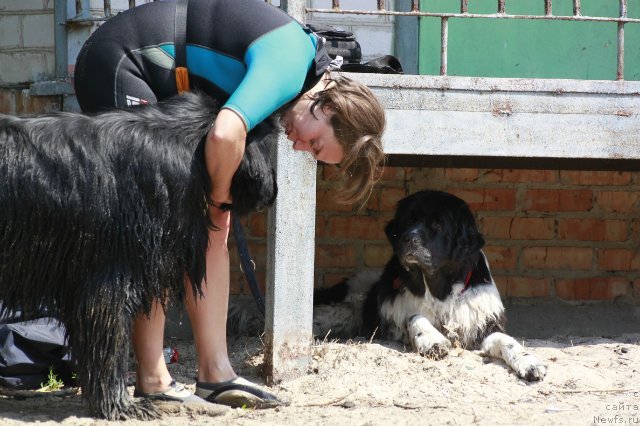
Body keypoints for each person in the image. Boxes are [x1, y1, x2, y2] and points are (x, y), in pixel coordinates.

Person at [73, 0, 386, 408]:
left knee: (210, 234)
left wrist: (217, 209)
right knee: (160, 230)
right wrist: (220, 197)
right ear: (326, 107)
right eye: (314, 142)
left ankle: (216, 374)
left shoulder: (302, 82)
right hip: (122, 63)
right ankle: (152, 378)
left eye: (311, 153)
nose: (299, 146)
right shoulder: (291, 65)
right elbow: (224, 134)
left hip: (165, 79)